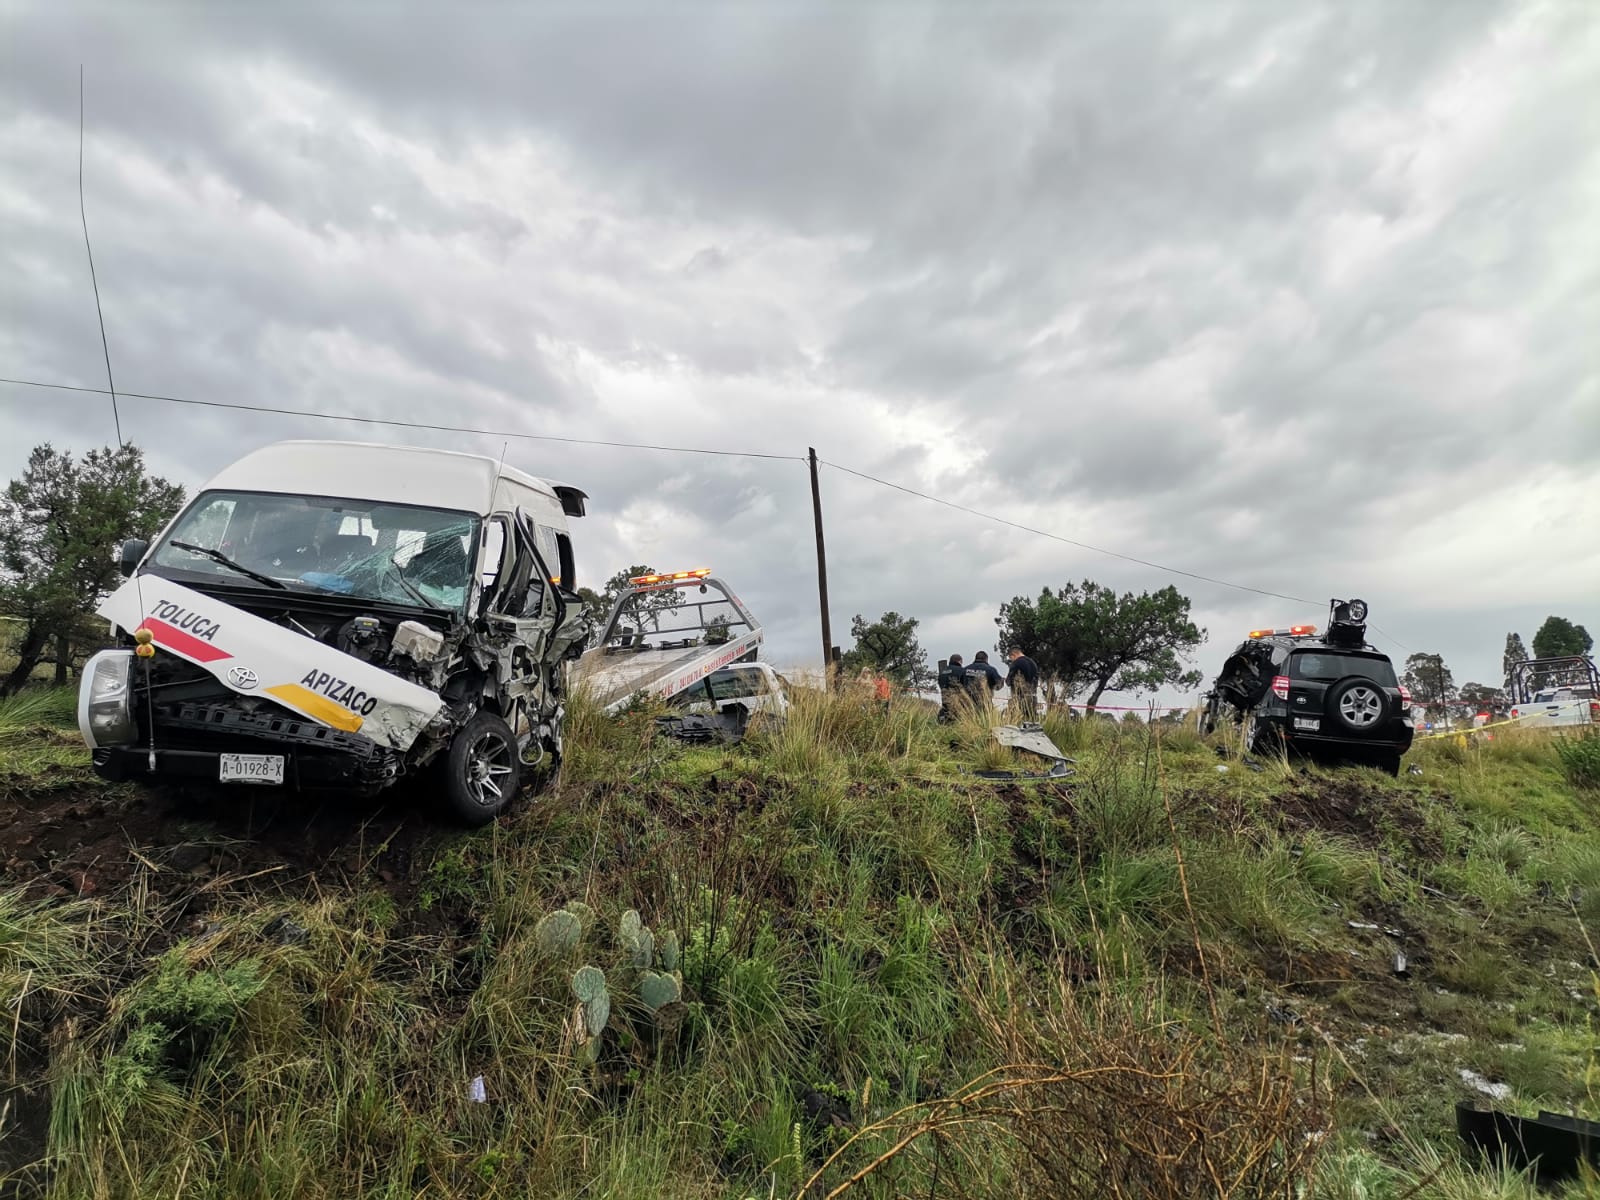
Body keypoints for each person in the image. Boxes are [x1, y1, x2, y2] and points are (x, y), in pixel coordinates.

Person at [1005, 646, 1040, 721]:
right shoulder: (1033, 663)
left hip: (1019, 698)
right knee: (1031, 721)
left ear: (1013, 655)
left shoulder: (1016, 663)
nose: (1011, 660)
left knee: (1014, 722)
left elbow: (1009, 681)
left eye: (1011, 658)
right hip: (1032, 697)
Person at [937, 653, 965, 723]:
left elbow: (940, 684)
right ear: (959, 661)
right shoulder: (962, 670)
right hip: (958, 703)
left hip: (945, 702)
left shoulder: (942, 672)